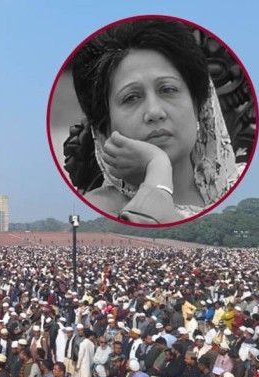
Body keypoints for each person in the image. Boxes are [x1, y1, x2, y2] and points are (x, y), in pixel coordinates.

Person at [67, 18, 243, 223]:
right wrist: (157, 168)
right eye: (131, 98)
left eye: (168, 89)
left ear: (199, 106)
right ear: (103, 130)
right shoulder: (97, 212)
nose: (154, 112)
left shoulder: (242, 185)